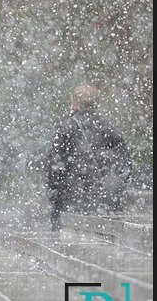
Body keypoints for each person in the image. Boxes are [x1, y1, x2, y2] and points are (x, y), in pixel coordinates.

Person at [43, 85, 132, 231]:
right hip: (102, 204)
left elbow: (53, 165)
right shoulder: (109, 129)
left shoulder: (64, 128)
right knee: (102, 244)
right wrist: (111, 192)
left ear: (73, 102)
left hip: (69, 202)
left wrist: (56, 194)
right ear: (96, 103)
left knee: (62, 243)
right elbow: (125, 168)